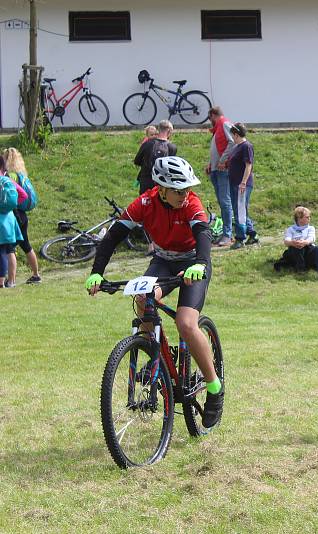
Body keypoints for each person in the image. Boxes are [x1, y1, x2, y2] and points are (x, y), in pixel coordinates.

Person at [84, 156, 224, 428]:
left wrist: (200, 264)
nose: (184, 195)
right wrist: (97, 272)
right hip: (162, 261)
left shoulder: (192, 204)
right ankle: (156, 352)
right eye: (178, 190)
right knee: (142, 297)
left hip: (192, 262)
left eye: (187, 189)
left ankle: (215, 387)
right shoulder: (144, 203)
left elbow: (204, 236)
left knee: (185, 323)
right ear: (161, 188)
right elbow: (113, 236)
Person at [3, 147, 42, 285]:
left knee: (9, 248)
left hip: (14, 215)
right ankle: (36, 275)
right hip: (23, 216)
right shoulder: (22, 175)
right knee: (26, 245)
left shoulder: (9, 176)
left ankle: (10, 280)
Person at [274, 206, 318, 280]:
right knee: (297, 246)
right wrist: (292, 242)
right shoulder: (290, 229)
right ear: (299, 218)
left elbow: (312, 238)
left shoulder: (311, 228)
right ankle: (300, 269)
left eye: (309, 217)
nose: (309, 218)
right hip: (295, 253)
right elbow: (286, 241)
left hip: (308, 251)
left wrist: (305, 242)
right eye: (307, 217)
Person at [206, 106, 235, 246]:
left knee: (225, 202)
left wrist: (223, 160)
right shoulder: (218, 128)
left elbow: (232, 142)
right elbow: (217, 148)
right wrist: (210, 164)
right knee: (223, 202)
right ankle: (225, 233)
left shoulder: (224, 124)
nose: (209, 121)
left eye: (209, 118)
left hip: (223, 170)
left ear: (213, 115)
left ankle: (228, 235)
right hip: (216, 169)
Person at [228, 123, 258, 250]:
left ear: (236, 134)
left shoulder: (246, 146)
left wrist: (243, 182)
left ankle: (240, 238)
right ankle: (252, 234)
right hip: (235, 183)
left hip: (241, 184)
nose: (232, 137)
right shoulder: (237, 147)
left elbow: (248, 165)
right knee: (241, 210)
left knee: (239, 210)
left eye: (232, 135)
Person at [0, 155, 25, 289]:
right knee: (10, 251)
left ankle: (1, 282)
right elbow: (23, 195)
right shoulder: (8, 180)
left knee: (1, 251)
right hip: (10, 220)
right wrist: (11, 207)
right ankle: (11, 281)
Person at [134, 120, 176, 195]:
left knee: (145, 204)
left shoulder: (147, 144)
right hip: (161, 185)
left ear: (158, 130)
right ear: (169, 131)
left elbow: (136, 161)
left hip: (146, 182)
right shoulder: (172, 147)